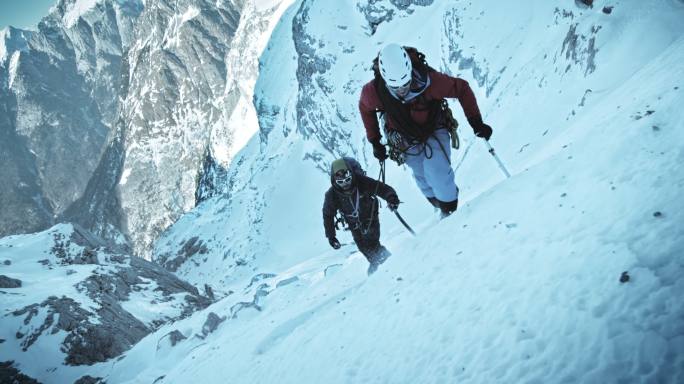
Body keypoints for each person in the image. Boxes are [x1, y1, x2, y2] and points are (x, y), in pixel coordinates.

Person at [358, 43, 493, 217]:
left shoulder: (429, 81)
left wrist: (476, 122)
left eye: (405, 84)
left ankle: (450, 211)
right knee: (421, 175)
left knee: (436, 170)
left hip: (434, 127)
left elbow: (461, 88)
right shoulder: (374, 92)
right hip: (403, 136)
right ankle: (440, 206)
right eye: (396, 87)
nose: (402, 90)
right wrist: (375, 141)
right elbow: (365, 108)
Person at [322, 157, 400, 274]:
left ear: (351, 175)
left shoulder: (361, 181)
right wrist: (331, 236)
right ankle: (379, 262)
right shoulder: (331, 195)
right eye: (341, 182)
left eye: (347, 180)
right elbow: (328, 215)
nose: (345, 185)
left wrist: (391, 197)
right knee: (362, 247)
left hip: (370, 217)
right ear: (334, 181)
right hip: (353, 224)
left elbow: (381, 188)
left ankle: (387, 263)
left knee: (373, 243)